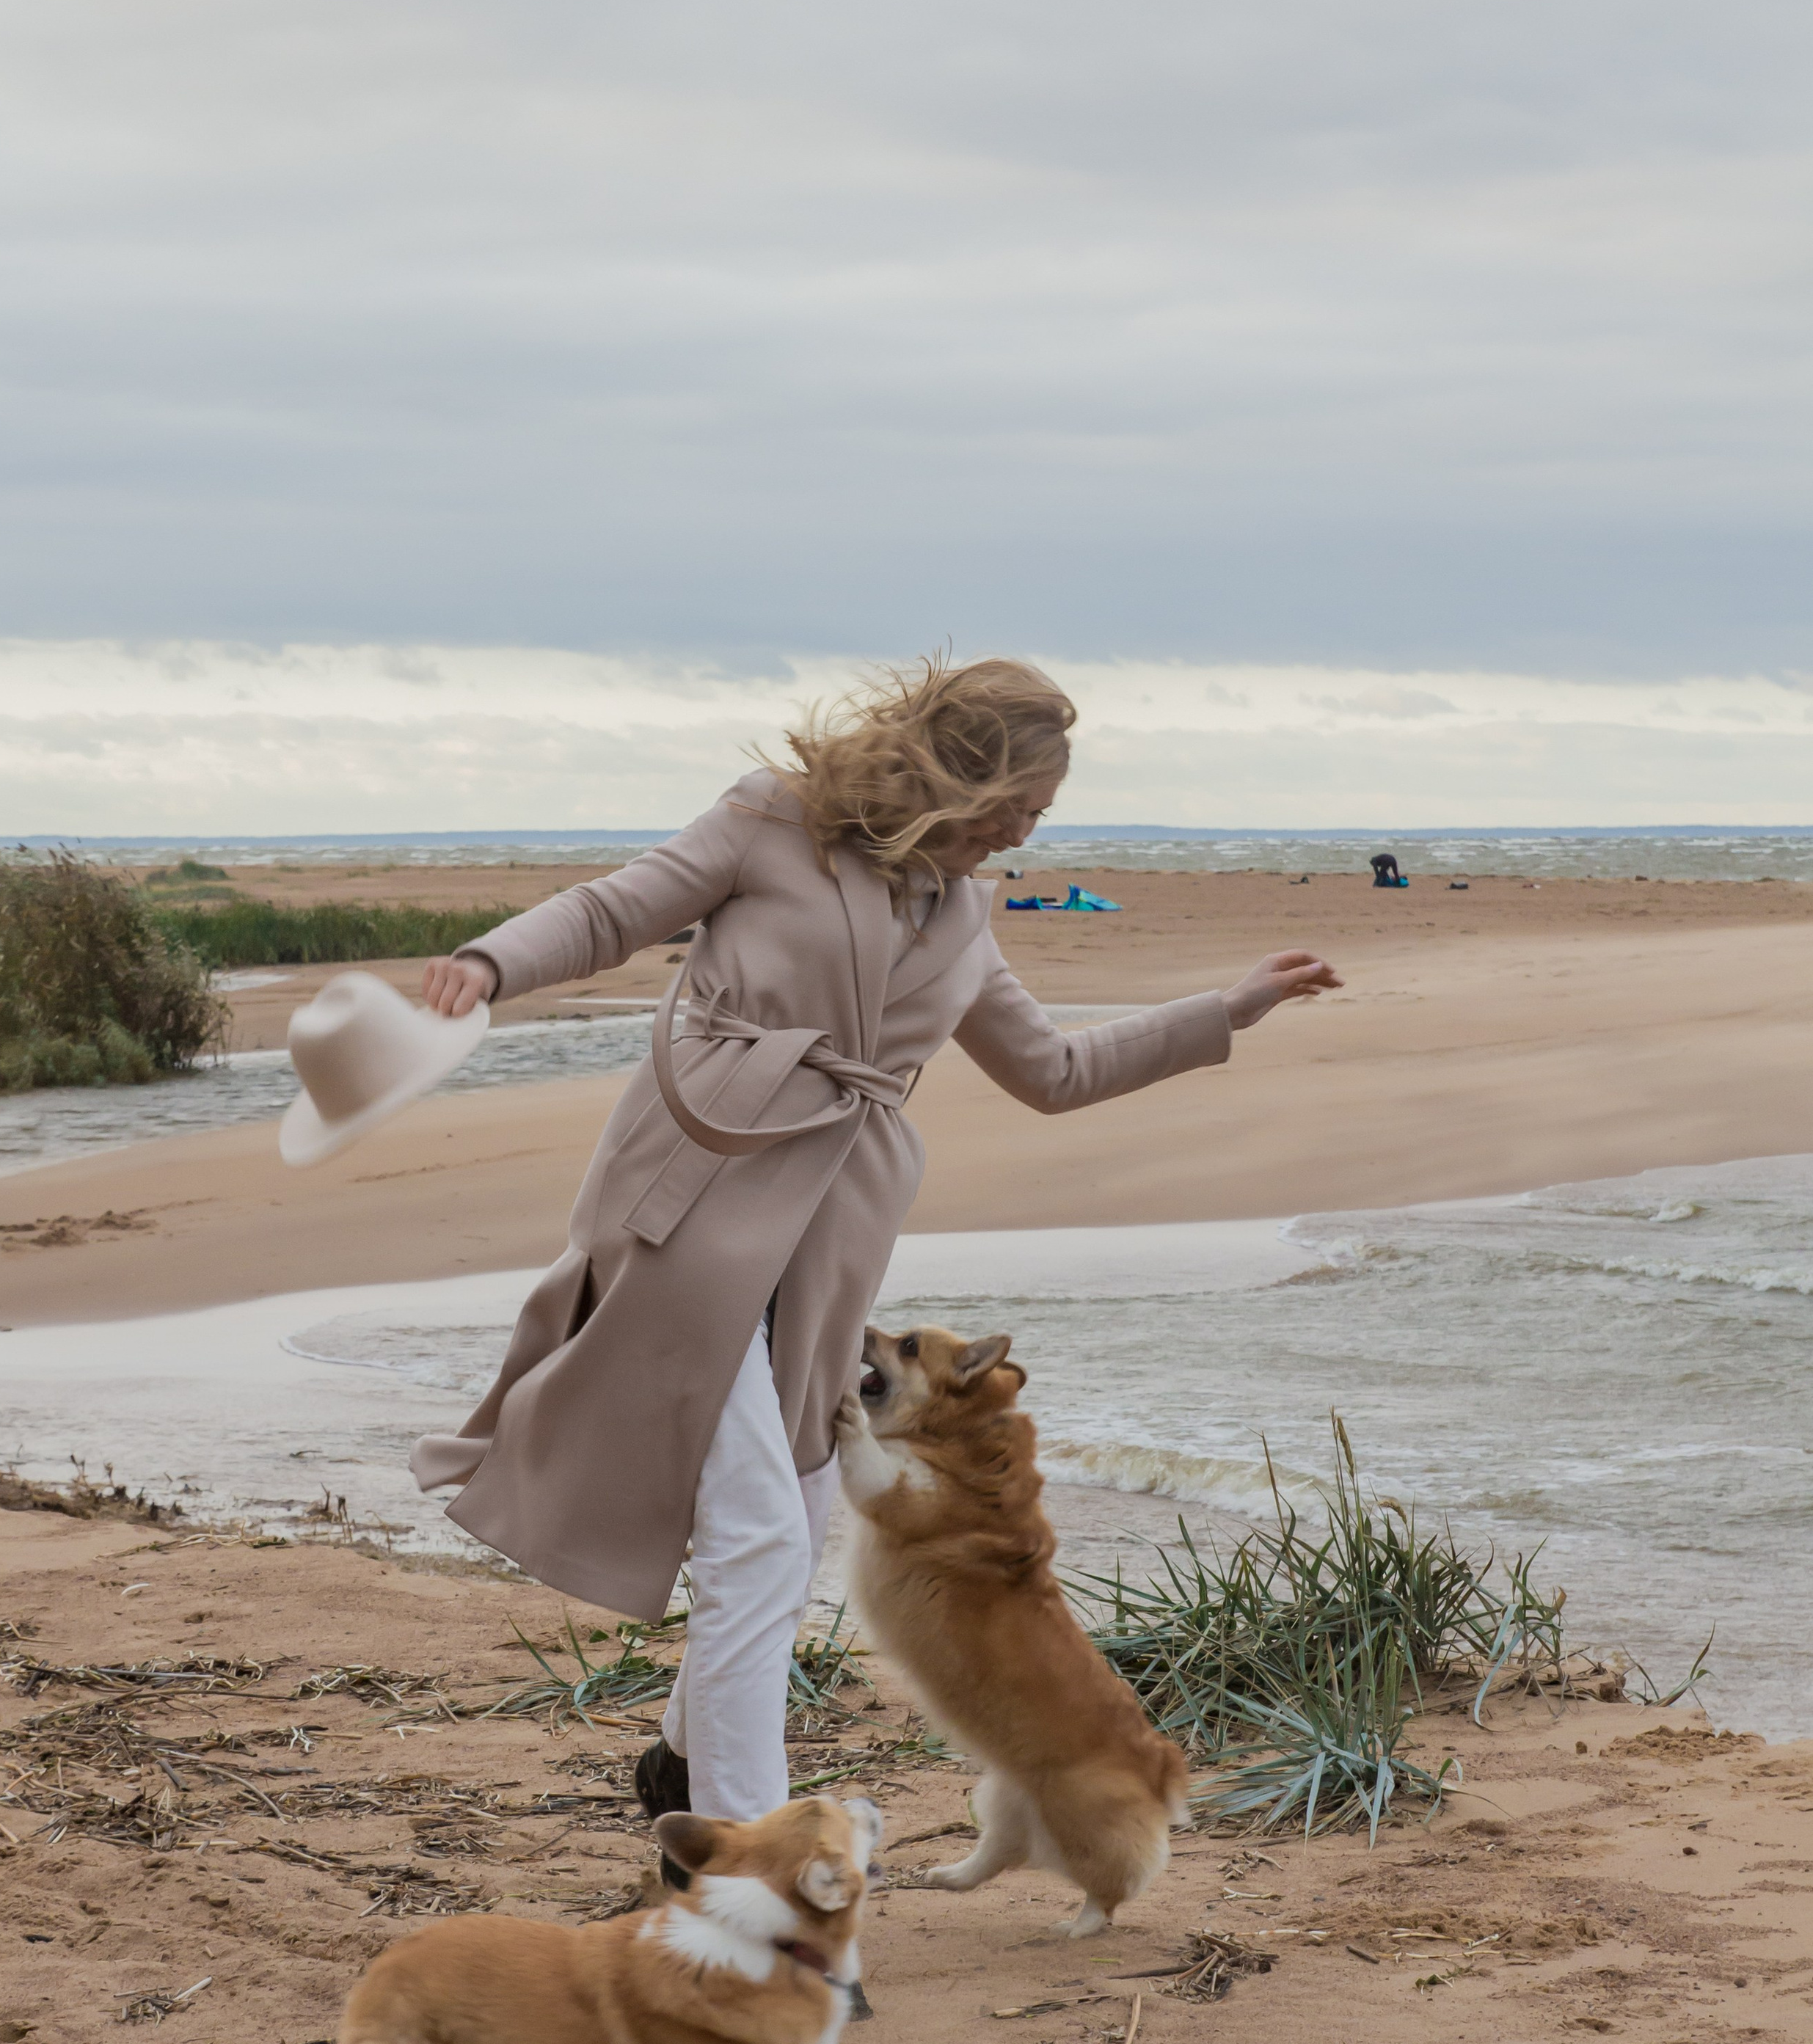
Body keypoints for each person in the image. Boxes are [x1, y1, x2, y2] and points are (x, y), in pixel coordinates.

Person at [412, 657, 1339, 1828]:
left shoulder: (963, 916)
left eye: (1038, 816)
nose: (1021, 831)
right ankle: (746, 1855)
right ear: (962, 774)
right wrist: (491, 963)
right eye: (1020, 803)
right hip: (699, 1189)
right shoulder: (772, 821)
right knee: (752, 1531)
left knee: (791, 1525)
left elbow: (1054, 1073)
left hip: (832, 1233)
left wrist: (1229, 1009)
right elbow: (610, 911)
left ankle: (681, 1758)